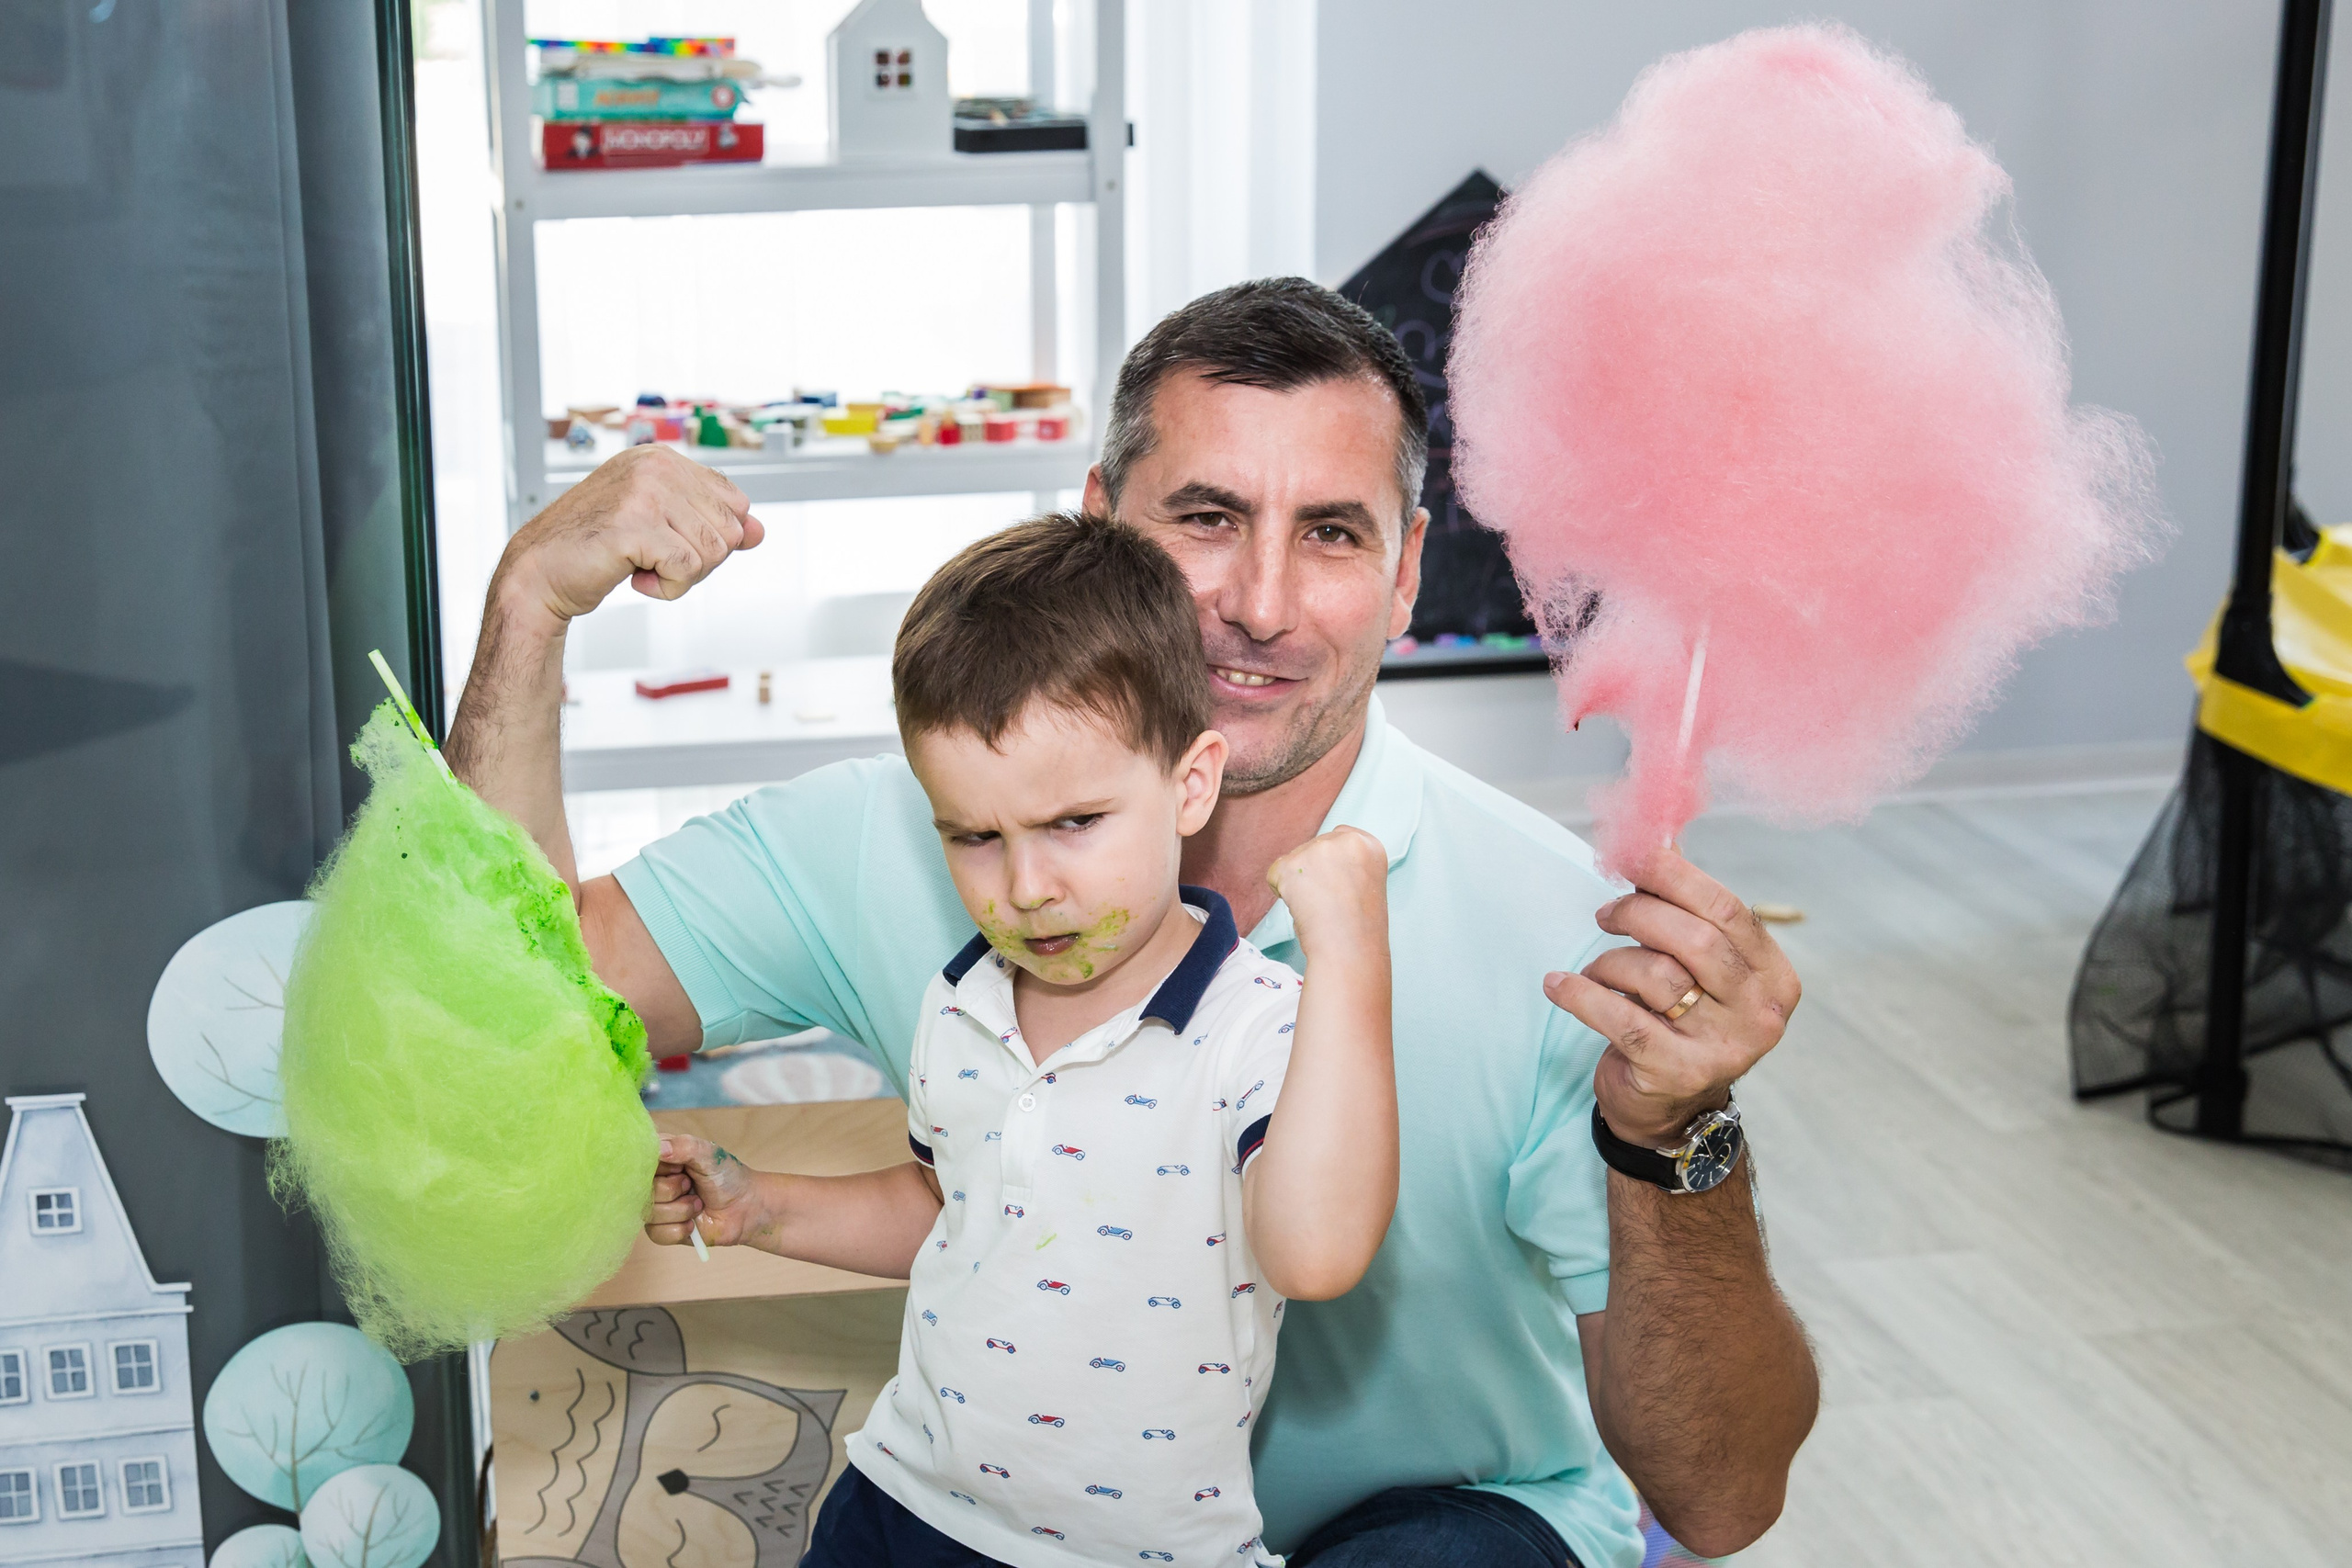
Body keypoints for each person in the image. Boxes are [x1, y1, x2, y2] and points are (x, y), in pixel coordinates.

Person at [448, 277, 1818, 1568]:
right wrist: (528, 607)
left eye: (1331, 533)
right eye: (1207, 517)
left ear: (1406, 575)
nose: (1260, 605)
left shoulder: (1558, 929)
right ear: (1100, 517)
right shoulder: (914, 825)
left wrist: (1674, 1142)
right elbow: (506, 1015)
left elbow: (1720, 1494)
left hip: (1440, 1518)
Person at [643, 514, 1398, 1567]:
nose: (1028, 887)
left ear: (1190, 783)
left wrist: (1352, 949)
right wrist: (765, 1206)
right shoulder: (962, 1003)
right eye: (975, 837)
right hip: (899, 1509)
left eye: (1075, 823)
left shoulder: (1257, 1025)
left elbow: (1315, 1255)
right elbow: (952, 1215)